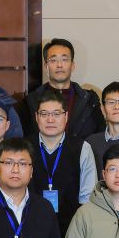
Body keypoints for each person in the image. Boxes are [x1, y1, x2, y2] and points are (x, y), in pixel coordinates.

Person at [28, 90, 97, 230]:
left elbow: (87, 199)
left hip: (71, 227)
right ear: (36, 117)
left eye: (56, 114)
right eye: (44, 114)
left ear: (66, 116)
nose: (50, 120)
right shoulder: (24, 148)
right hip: (31, 225)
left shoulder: (82, 148)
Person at [23, 39, 103, 142]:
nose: (59, 65)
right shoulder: (31, 101)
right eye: (53, 60)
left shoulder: (90, 100)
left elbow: (100, 136)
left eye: (64, 59)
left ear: (72, 65)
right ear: (45, 66)